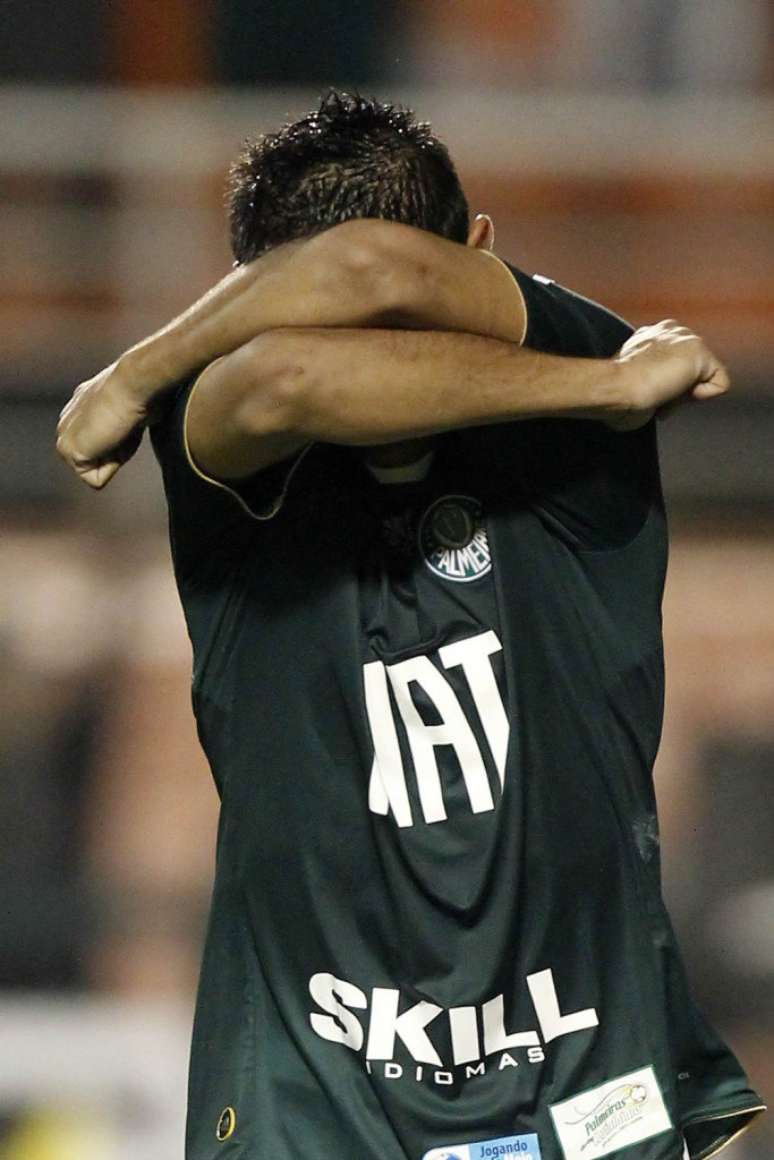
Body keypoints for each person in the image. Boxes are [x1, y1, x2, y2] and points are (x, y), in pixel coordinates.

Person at [56, 91, 764, 1160]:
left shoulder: (586, 409)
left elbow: (361, 279)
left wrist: (131, 372)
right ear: (480, 244)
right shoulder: (235, 438)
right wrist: (608, 390)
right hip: (310, 1109)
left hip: (583, 1105)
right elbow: (317, 341)